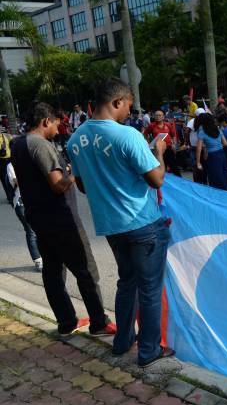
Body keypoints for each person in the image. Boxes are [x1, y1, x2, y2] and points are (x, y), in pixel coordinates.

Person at [67, 78, 173, 367]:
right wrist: (160, 154)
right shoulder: (128, 136)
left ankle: (122, 342)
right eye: (127, 105)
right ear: (116, 102)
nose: (129, 111)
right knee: (149, 289)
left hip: (112, 227)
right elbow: (156, 179)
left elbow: (83, 187)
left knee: (127, 283)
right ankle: (149, 351)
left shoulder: (75, 139)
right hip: (142, 223)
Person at [12, 101, 115, 337]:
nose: (59, 128)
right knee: (86, 271)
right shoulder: (41, 145)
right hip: (61, 218)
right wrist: (74, 171)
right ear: (46, 121)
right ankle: (99, 322)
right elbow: (58, 185)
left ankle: (66, 321)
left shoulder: (18, 144)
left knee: (53, 271)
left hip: (38, 217)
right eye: (57, 123)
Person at [6, 160, 42, 271]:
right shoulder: (11, 165)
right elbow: (16, 181)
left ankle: (48, 256)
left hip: (36, 199)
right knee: (31, 231)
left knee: (42, 229)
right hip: (21, 202)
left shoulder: (31, 160)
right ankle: (38, 260)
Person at [195, 113, 227, 190]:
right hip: (221, 154)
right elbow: (225, 143)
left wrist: (198, 162)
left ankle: (216, 198)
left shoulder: (202, 132)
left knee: (214, 178)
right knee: (222, 176)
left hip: (212, 156)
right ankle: (225, 195)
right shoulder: (217, 129)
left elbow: (198, 149)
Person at [144, 110, 181, 177]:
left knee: (174, 166)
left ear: (163, 117)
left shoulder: (168, 125)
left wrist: (174, 144)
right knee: (161, 167)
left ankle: (181, 182)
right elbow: (145, 134)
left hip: (168, 148)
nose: (158, 117)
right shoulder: (151, 126)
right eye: (156, 115)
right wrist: (149, 143)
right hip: (158, 150)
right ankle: (162, 183)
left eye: (159, 115)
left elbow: (173, 136)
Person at [0, 130, 12, 203]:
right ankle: (9, 197)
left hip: (9, 160)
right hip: (0, 161)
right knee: (4, 180)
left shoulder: (7, 136)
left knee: (11, 178)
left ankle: (13, 195)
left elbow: (13, 144)